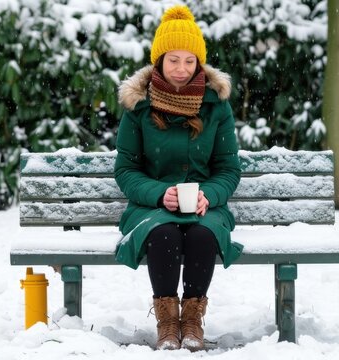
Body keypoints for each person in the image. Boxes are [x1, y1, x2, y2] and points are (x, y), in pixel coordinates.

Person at [113, 4, 243, 352]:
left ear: (199, 62)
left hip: (204, 207)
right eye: (173, 60)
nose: (182, 69)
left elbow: (228, 169)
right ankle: (167, 324)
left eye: (189, 60)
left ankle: (192, 322)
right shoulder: (138, 105)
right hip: (150, 207)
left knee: (202, 236)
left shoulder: (216, 104)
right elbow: (125, 170)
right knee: (164, 234)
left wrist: (208, 197)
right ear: (159, 61)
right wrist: (159, 194)